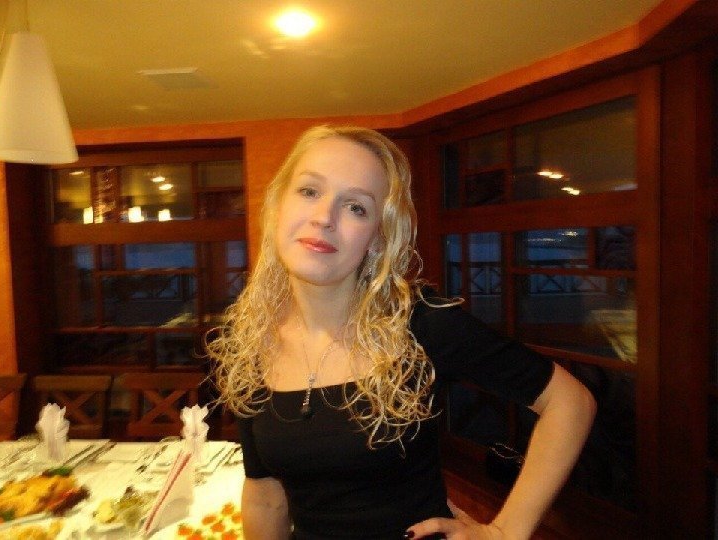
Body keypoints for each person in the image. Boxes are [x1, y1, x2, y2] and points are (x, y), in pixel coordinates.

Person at [208, 125, 596, 539]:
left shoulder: (421, 325)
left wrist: (506, 531)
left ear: (378, 237)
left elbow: (569, 402)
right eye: (309, 191)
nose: (323, 217)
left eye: (356, 207)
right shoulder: (249, 339)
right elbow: (265, 494)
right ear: (277, 207)